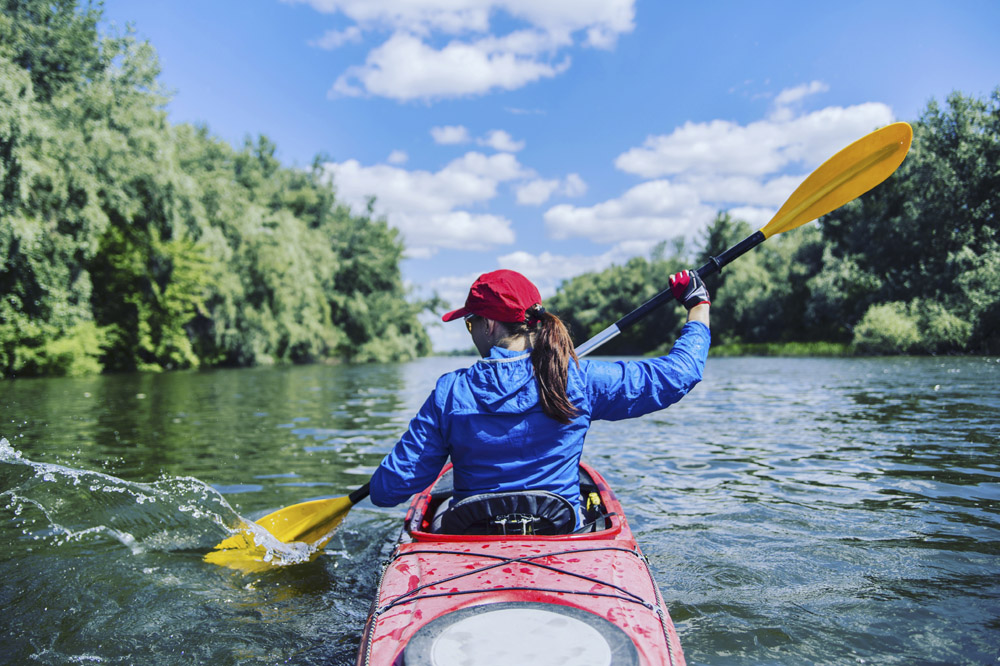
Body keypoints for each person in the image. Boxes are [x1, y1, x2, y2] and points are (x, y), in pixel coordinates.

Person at [369, 268, 710, 528]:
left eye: (470, 324)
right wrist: (698, 305)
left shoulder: (450, 393)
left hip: (472, 539)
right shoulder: (578, 379)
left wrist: (377, 482)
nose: (471, 333)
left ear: (489, 325)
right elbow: (679, 374)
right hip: (558, 534)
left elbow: (388, 491)